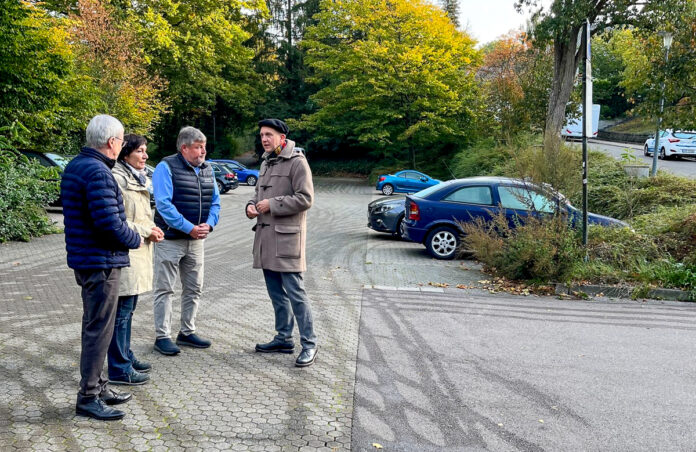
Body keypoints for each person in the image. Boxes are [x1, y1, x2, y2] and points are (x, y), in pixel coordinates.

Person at [61, 114, 143, 421]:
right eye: (122, 141)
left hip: (89, 259)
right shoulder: (98, 172)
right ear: (112, 142)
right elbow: (109, 223)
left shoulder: (77, 166)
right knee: (98, 330)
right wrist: (135, 238)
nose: (122, 145)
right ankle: (89, 397)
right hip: (100, 261)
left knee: (98, 327)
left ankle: (99, 386)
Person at [246, 119, 318, 367]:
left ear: (282, 138)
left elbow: (306, 198)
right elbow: (258, 194)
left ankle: (309, 344)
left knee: (296, 294)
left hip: (287, 241)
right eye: (262, 135)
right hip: (266, 239)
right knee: (276, 294)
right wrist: (251, 205)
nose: (264, 139)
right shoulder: (267, 161)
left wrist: (272, 204)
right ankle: (284, 338)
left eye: (269, 135)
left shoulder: (297, 162)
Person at [151, 126, 220, 355]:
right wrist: (188, 227)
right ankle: (163, 337)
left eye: (204, 147)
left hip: (196, 241)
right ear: (184, 148)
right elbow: (163, 204)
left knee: (194, 288)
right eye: (198, 147)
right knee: (165, 289)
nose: (203, 152)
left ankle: (187, 332)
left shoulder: (208, 169)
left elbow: (215, 203)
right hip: (170, 240)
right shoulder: (165, 167)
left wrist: (209, 224)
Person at [107, 134, 164, 385]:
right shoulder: (117, 178)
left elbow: (140, 214)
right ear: (126, 153)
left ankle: (126, 356)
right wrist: (145, 230)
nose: (145, 156)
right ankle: (119, 367)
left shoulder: (137, 177)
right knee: (120, 314)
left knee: (128, 312)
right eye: (140, 151)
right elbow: (116, 219)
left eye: (146, 151)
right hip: (125, 253)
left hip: (139, 252)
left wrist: (152, 227)